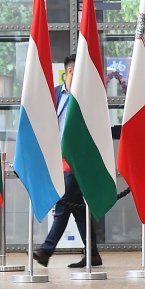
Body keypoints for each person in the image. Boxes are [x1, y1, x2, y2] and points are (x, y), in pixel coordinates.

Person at [33, 54, 103, 269]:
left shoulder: (85, 98)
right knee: (77, 207)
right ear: (70, 71)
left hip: (77, 160)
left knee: (63, 203)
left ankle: (46, 250)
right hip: (57, 159)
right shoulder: (54, 94)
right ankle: (93, 253)